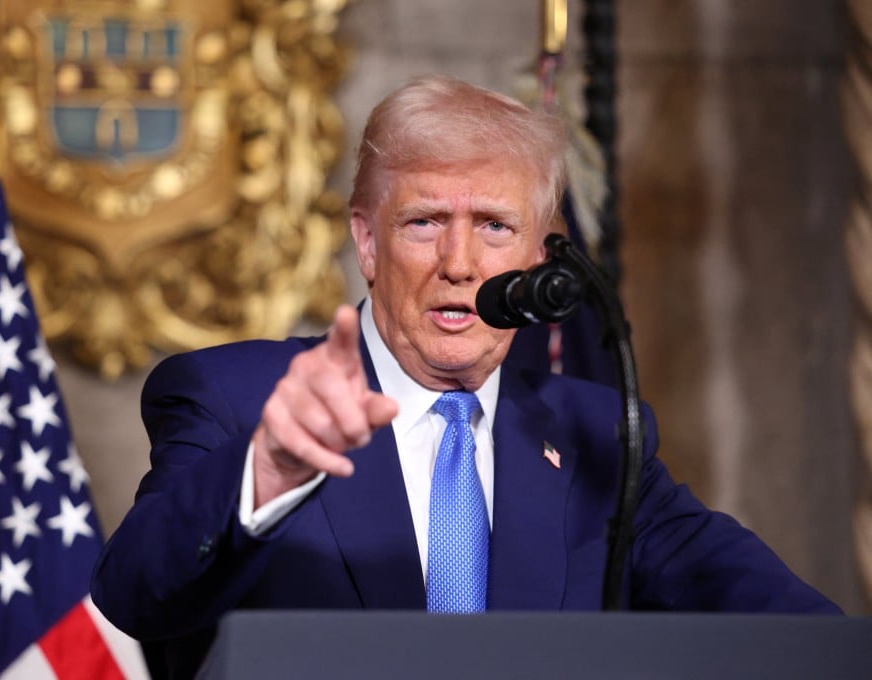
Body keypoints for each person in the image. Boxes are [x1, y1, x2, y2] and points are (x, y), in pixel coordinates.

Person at [90, 75, 840, 677]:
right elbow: (135, 593)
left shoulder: (593, 435)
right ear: (368, 241)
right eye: (423, 223)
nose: (459, 263)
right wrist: (269, 466)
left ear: (543, 259)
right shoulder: (237, 397)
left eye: (494, 225)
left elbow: (762, 609)